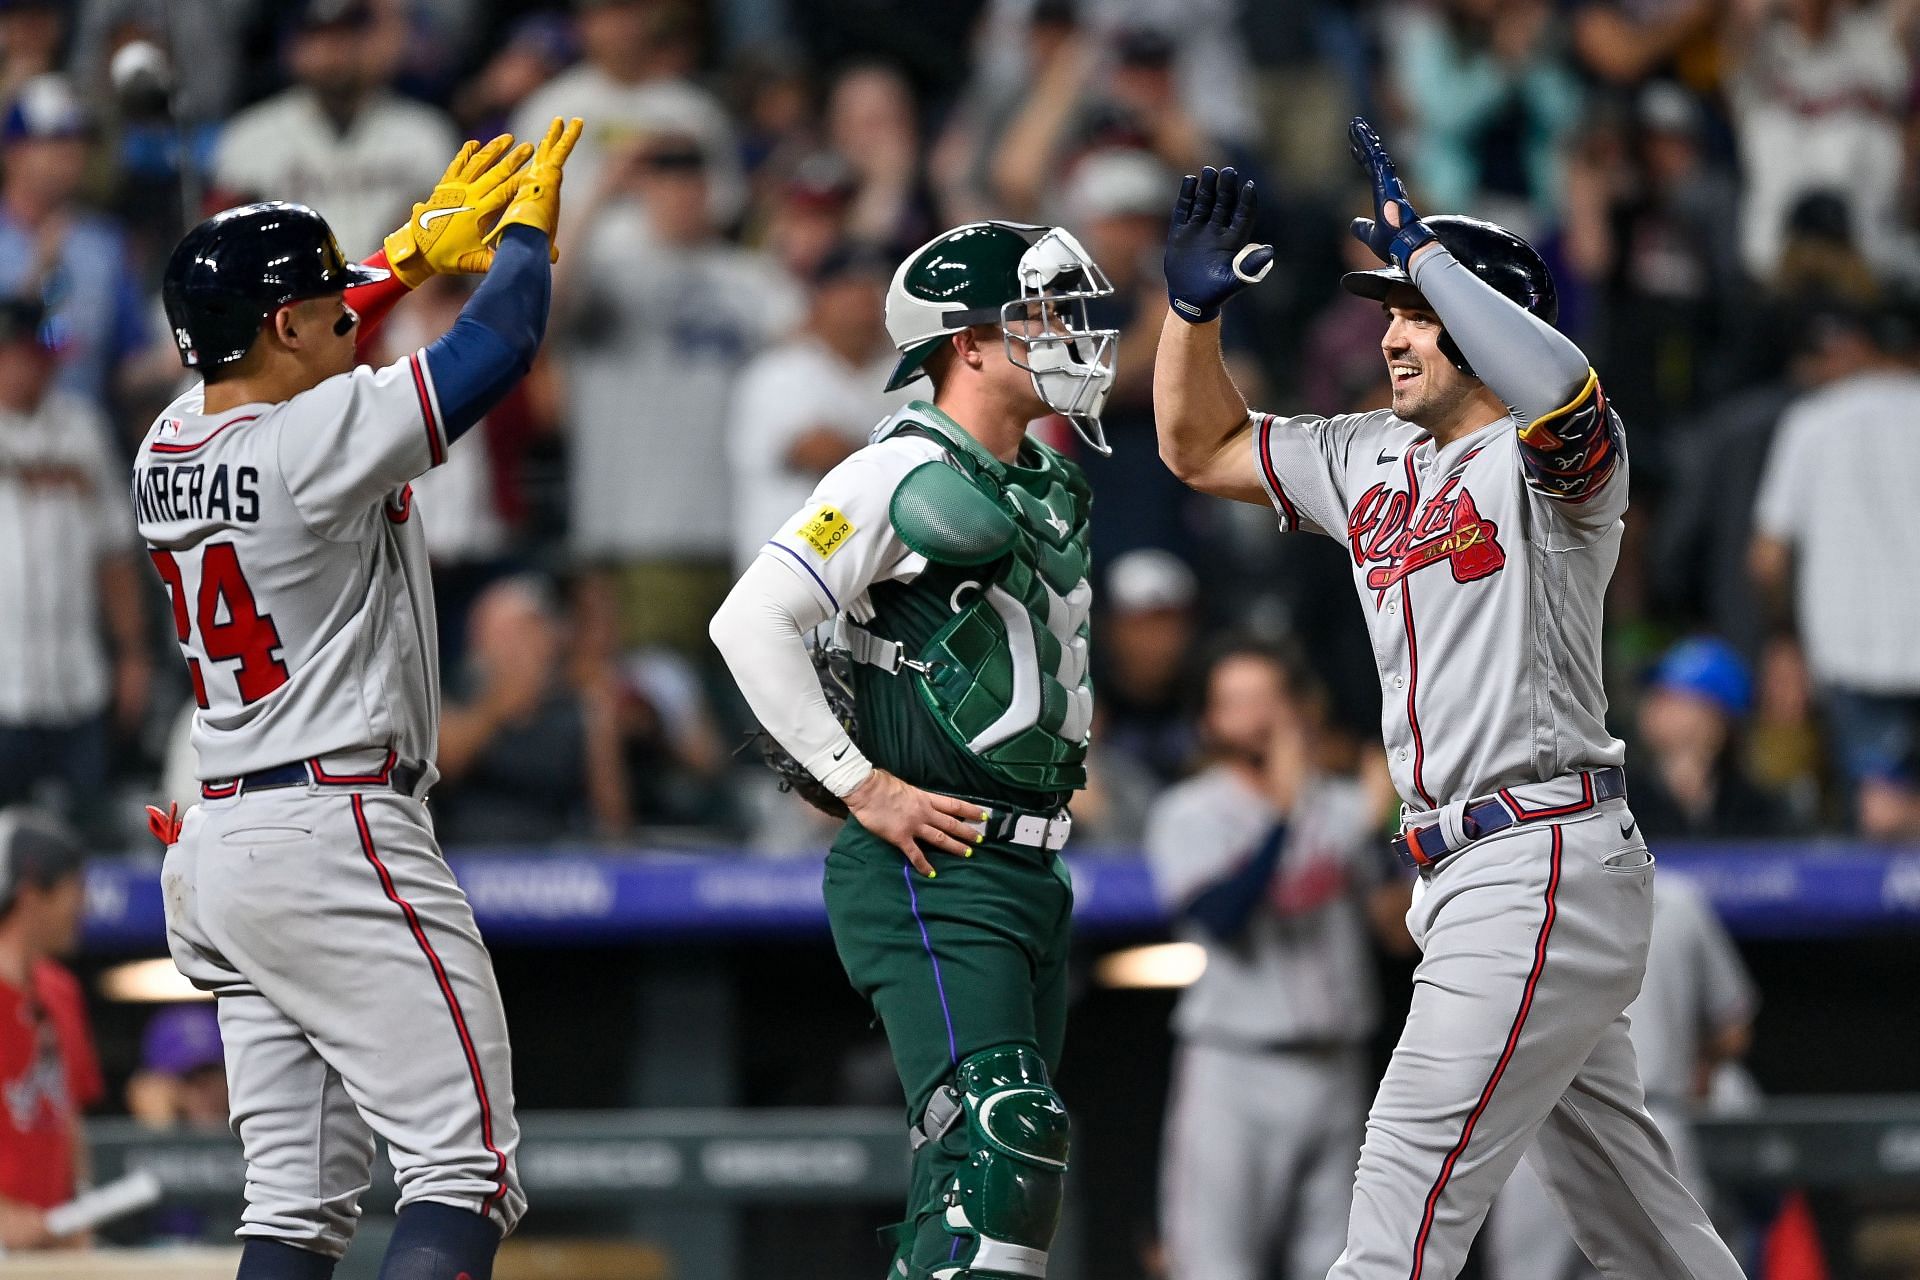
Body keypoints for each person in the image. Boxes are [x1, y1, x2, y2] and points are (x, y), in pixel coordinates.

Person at [1151, 124, 1746, 1280]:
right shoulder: (1370, 451)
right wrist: (1191, 318)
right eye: (1390, 306)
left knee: (1401, 1197)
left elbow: (1565, 391)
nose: (1394, 331)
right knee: (1640, 1224)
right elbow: (1201, 444)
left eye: (1417, 310)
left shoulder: (1558, 459)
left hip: (1537, 845)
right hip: (1470, 866)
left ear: (1484, 319)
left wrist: (1442, 267)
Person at [133, 120, 581, 1280]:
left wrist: (400, 261)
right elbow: (499, 347)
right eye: (330, 299)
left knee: (292, 1204)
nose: (350, 309)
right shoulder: (309, 439)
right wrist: (525, 237)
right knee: (463, 1167)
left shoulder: (166, 439)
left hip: (223, 839)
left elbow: (295, 358)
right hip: (331, 824)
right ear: (281, 324)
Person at [709, 219, 1118, 1280]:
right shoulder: (894, 467)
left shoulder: (1047, 477)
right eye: (1036, 313)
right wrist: (862, 783)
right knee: (1001, 1143)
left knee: (976, 1172)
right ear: (966, 341)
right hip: (932, 858)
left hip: (1029, 863)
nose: (1065, 333)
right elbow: (750, 620)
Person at [1147, 644, 1407, 1280]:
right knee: (1214, 1265)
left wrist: (1384, 832)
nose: (1257, 717)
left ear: (1299, 709)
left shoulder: (1343, 805)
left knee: (1342, 1263)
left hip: (1337, 1065)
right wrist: (1288, 813)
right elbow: (1223, 918)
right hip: (1234, 1066)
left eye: (1268, 699)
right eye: (1236, 703)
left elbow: (1399, 934)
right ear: (1209, 722)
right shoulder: (1189, 810)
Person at [1486, 871, 1757, 1280]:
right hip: (1645, 1126)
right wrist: (1698, 1059)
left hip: (1545, 1125)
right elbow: (1733, 1030)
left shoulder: (1515, 890)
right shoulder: (1677, 898)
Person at [1750, 300, 1920, 838]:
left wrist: (1783, 642)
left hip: (1848, 655)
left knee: (1870, 833)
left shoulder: (1815, 420)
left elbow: (1767, 557)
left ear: (1862, 347)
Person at [0, 293, 150, 832]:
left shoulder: (81, 428)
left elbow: (113, 555)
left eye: (39, 354)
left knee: (90, 846)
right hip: (2, 691)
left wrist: (132, 654)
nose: (32, 366)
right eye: (21, 353)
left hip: (76, 687)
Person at [211, 0, 460, 258]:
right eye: (319, 38)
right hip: (293, 293)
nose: (333, 53)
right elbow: (229, 250)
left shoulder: (425, 133)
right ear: (292, 49)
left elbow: (450, 243)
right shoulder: (249, 137)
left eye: (346, 35)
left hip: (399, 290)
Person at [727, 242, 909, 572]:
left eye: (873, 289)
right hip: (786, 575)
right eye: (851, 289)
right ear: (818, 300)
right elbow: (819, 451)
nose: (864, 302)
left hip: (860, 580)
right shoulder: (782, 372)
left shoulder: (893, 377)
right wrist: (911, 457)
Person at [0, 74, 152, 410]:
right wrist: (35, 278)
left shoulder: (106, 243)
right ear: (14, 151)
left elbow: (127, 364)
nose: (71, 153)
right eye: (55, 140)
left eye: (78, 140)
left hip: (81, 438)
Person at [0, 807, 102, 1252]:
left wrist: (80, 1207)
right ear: (31, 893)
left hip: (51, 1249)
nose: (84, 905)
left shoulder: (61, 990)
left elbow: (69, 1115)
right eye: (74, 888)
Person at [1630, 636, 1796, 839]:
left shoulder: (1755, 811)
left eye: (1672, 695)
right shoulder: (1622, 799)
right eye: (1656, 693)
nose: (1655, 704)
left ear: (1716, 720)